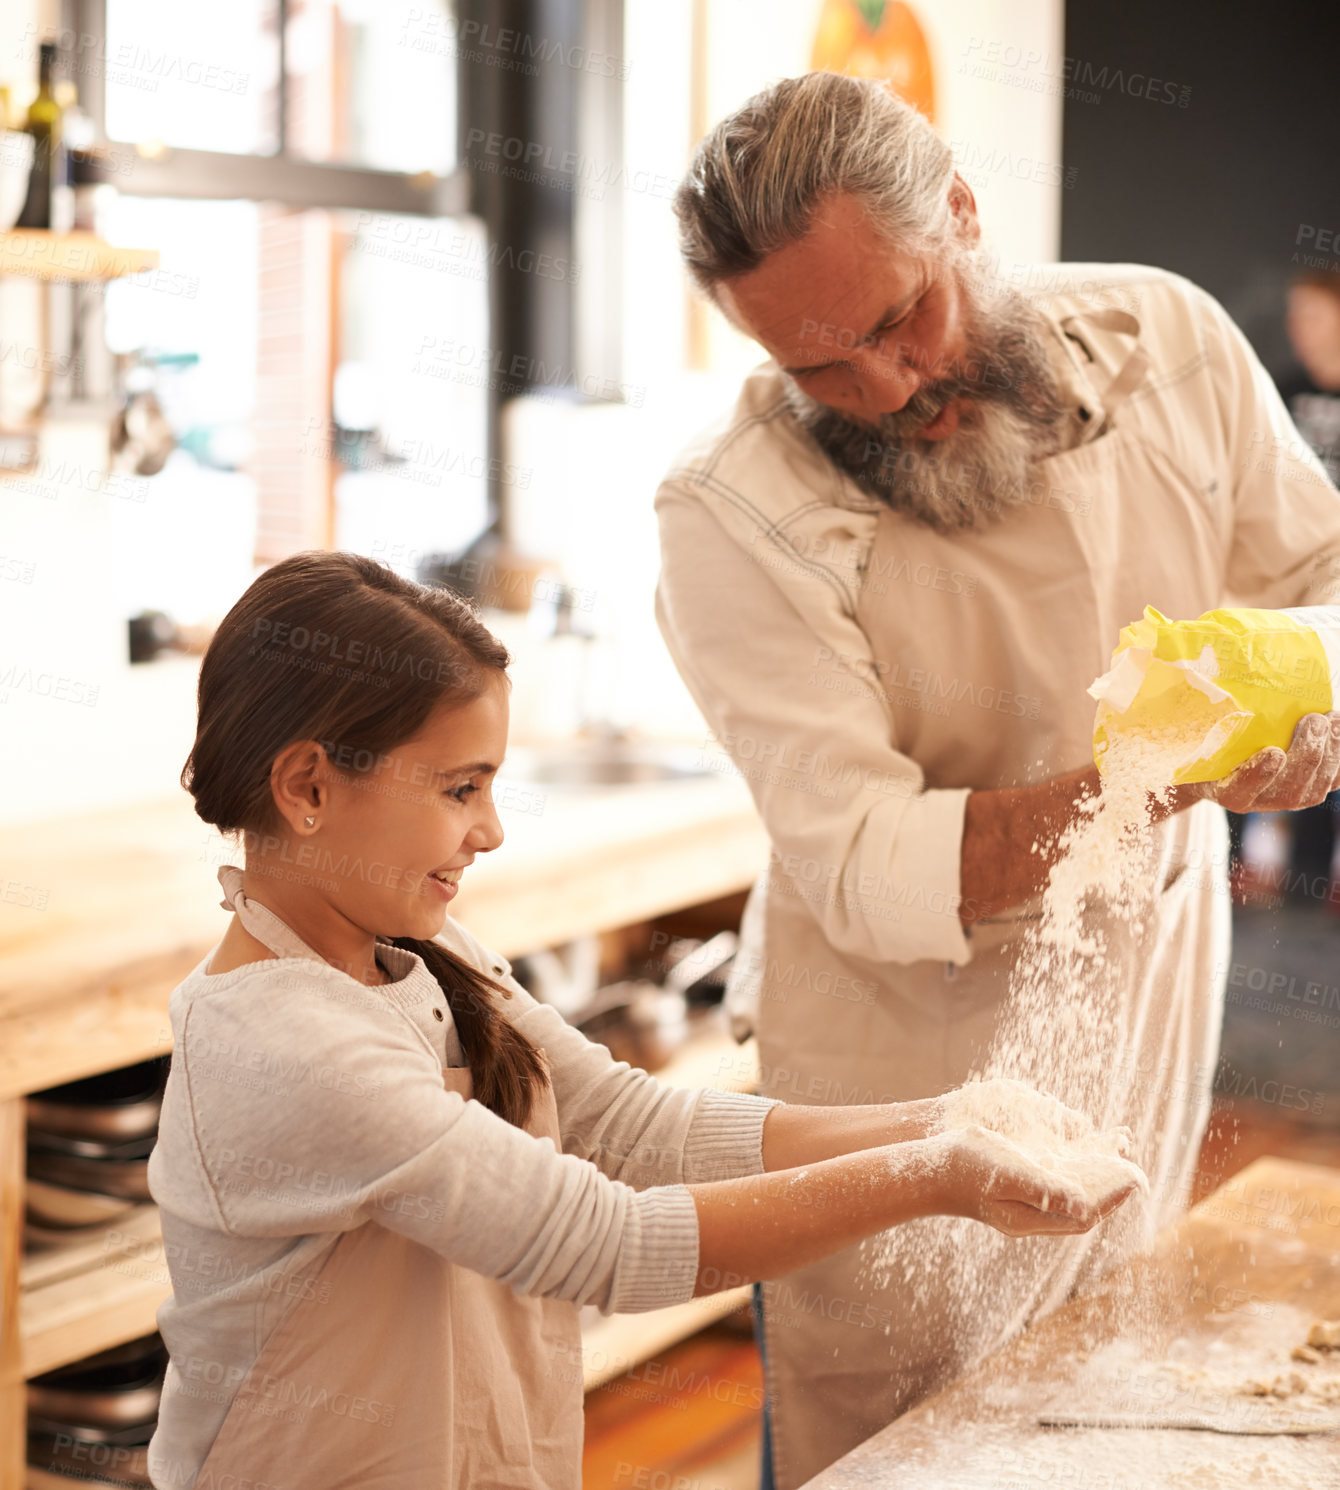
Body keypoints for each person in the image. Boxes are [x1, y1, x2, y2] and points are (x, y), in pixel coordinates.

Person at [654, 72, 1340, 1490]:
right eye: (818, 366)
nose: (885, 391)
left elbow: (1323, 576)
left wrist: (1313, 706)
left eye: (901, 320)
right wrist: (1153, 773)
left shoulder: (1170, 342)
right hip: (899, 1071)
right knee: (906, 1448)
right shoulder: (733, 511)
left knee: (1097, 1411)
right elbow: (864, 856)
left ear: (963, 213)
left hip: (1142, 1008)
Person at [140, 550, 1130, 1490]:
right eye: (458, 788)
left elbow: (628, 1124)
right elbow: (607, 1241)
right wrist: (932, 1176)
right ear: (308, 786)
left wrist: (943, 1119)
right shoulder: (283, 1039)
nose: (488, 829)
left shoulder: (429, 955)